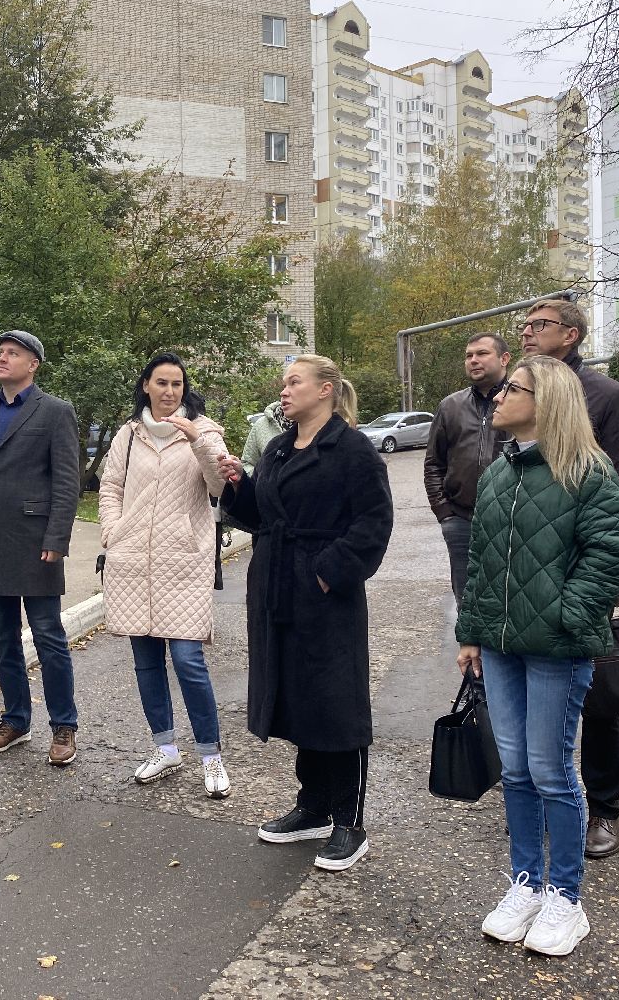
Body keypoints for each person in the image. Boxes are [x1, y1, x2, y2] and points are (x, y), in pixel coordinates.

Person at [456, 355, 619, 957]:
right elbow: (480, 564)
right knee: (516, 770)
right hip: (502, 648)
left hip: (556, 648)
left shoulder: (588, 469)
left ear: (546, 399)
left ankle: (566, 898)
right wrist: (470, 632)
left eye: (513, 388)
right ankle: (525, 884)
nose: (499, 395)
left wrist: (569, 616)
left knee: (552, 769)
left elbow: (610, 553)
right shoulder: (500, 471)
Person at [217, 355, 394, 872]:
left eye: (294, 381)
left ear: (326, 390)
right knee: (297, 700)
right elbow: (261, 516)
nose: (285, 390)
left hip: (324, 594)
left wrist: (329, 570)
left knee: (336, 703)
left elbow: (374, 522)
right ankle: (313, 805)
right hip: (275, 589)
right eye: (284, 382)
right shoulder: (276, 447)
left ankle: (349, 821)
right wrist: (240, 485)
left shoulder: (353, 450)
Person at [520, 298, 619, 860]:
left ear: (569, 336)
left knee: (593, 695)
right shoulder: (519, 393)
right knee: (532, 692)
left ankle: (604, 809)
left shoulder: (606, 396)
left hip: (582, 566)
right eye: (523, 325)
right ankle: (549, 799)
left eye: (538, 325)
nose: (526, 332)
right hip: (528, 567)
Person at [99, 354, 231, 798]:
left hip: (183, 560)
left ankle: (211, 756)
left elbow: (219, 486)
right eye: (161, 383)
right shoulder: (128, 434)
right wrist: (113, 532)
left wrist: (197, 441)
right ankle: (165, 747)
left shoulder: (206, 429)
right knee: (145, 661)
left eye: (177, 383)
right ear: (146, 386)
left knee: (189, 661)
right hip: (132, 558)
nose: (170, 391)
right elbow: (111, 485)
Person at [0, 330, 82, 765]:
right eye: (0, 352)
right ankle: (15, 720)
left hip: (35, 543)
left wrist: (57, 538)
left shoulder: (56, 412)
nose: (2, 358)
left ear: (34, 365)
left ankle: (64, 726)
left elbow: (67, 481)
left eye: (13, 353)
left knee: (48, 637)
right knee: (1, 639)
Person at [423, 332, 512, 604]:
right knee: (467, 598)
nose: (473, 360)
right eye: (468, 356)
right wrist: (445, 513)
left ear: (504, 358)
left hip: (512, 520)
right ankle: (470, 647)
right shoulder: (450, 406)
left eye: (482, 354)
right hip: (461, 520)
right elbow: (434, 463)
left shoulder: (521, 400)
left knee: (511, 596)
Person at [241, 393, 290, 476]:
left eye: (294, 383)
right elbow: (247, 464)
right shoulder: (262, 424)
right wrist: (263, 482)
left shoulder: (317, 427)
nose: (283, 392)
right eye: (285, 385)